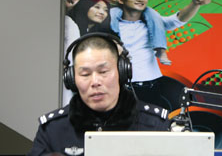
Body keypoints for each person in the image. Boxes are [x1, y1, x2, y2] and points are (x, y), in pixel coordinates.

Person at [28, 34, 171, 156]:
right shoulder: (52, 129)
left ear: (122, 72)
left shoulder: (155, 125)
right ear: (71, 79)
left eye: (103, 72)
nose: (95, 82)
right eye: (85, 74)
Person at [109, 0, 215, 109]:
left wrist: (195, 4)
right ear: (121, 0)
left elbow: (177, 20)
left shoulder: (154, 22)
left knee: (150, 119)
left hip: (149, 83)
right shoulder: (108, 23)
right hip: (116, 84)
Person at [63, 0, 114, 105]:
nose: (102, 12)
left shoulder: (103, 35)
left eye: (105, 10)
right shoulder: (69, 25)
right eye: (97, 7)